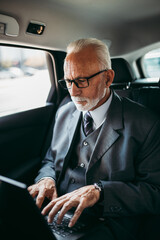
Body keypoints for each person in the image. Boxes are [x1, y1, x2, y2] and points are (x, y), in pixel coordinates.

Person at [28, 38, 160, 240]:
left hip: (108, 222)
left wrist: (100, 192)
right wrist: (47, 178)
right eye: (68, 82)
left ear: (108, 78)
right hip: (57, 214)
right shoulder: (64, 112)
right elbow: (50, 160)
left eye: (81, 81)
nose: (73, 91)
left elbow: (154, 192)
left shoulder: (147, 124)